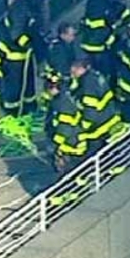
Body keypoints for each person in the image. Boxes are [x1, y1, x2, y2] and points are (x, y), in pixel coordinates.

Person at [71, 56, 125, 173]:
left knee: (94, 150)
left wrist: (85, 125)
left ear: (84, 68)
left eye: (75, 70)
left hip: (98, 124)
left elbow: (91, 107)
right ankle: (115, 166)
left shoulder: (88, 84)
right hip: (108, 117)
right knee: (108, 146)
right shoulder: (96, 76)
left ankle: (94, 172)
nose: (73, 73)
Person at [46, 77, 89, 205]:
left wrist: (57, 144)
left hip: (70, 145)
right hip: (76, 142)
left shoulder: (63, 104)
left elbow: (64, 128)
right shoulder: (65, 97)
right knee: (76, 172)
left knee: (65, 171)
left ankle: (59, 196)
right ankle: (75, 193)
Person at [43, 21, 81, 94]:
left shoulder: (66, 44)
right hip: (57, 82)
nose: (73, 37)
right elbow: (62, 68)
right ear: (63, 35)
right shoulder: (58, 50)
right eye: (71, 35)